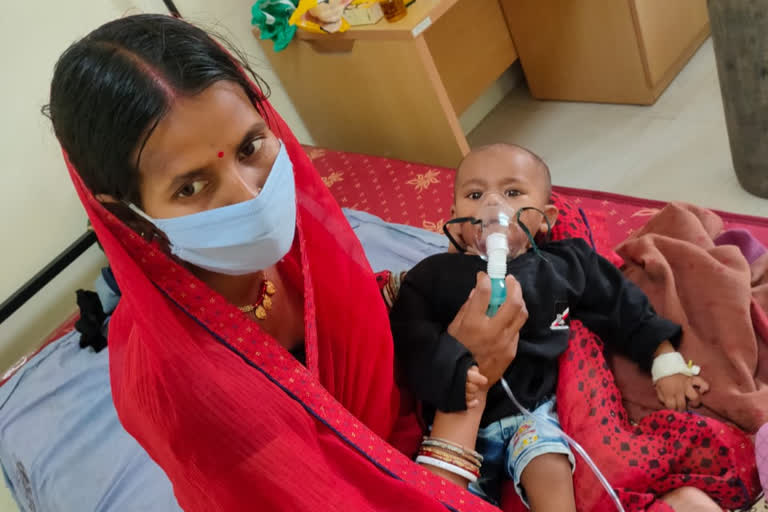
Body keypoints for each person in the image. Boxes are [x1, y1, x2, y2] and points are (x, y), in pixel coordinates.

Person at [46, 14, 524, 512]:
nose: (250, 197)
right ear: (130, 218)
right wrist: (469, 382)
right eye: (191, 186)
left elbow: (355, 312)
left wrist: (438, 279)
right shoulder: (189, 395)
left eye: (250, 146)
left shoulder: (302, 241)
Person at [390, 144, 713, 511]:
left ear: (545, 218)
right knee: (443, 497)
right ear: (454, 217)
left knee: (548, 461)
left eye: (512, 193)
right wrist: (450, 370)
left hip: (530, 413)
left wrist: (664, 360)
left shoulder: (562, 266)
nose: (493, 206)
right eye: (475, 194)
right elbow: (410, 340)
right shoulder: (431, 277)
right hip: (458, 426)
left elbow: (620, 302)